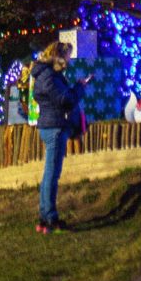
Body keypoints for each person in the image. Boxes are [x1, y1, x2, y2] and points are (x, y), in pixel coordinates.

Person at [31, 41, 89, 233]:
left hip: (52, 125)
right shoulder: (49, 76)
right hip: (54, 126)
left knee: (50, 173)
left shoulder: (47, 75)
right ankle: (50, 218)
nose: (69, 60)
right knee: (52, 174)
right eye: (67, 56)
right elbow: (64, 100)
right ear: (58, 56)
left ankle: (44, 217)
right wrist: (79, 88)